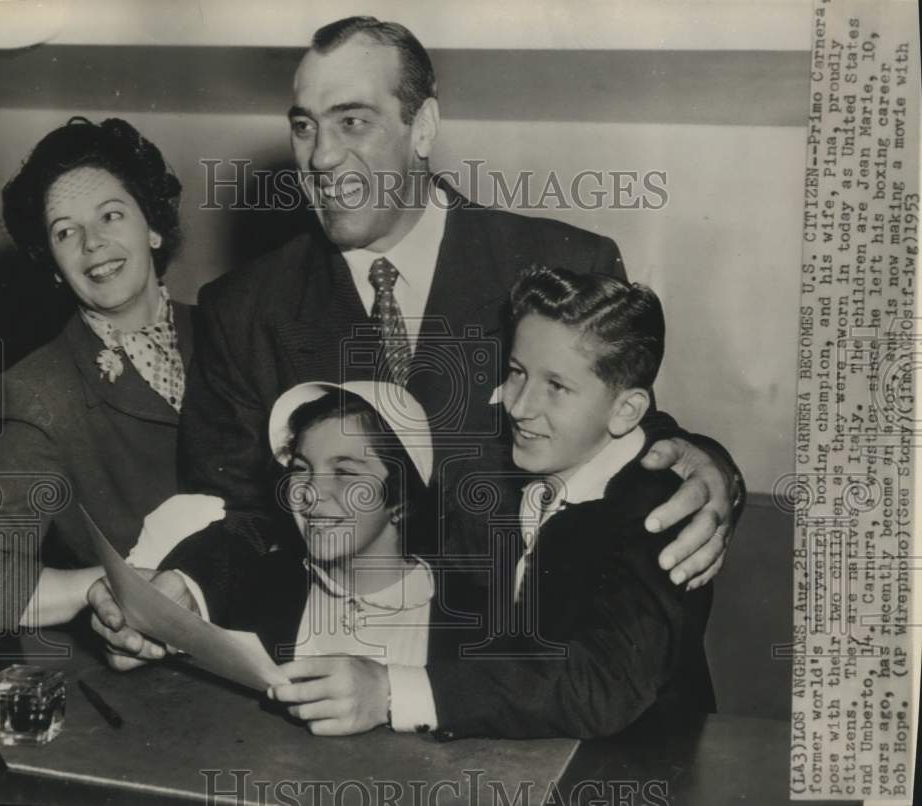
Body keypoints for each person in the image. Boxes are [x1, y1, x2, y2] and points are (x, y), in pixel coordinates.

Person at [93, 15, 743, 666]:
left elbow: (634, 441)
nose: (320, 157)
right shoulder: (242, 309)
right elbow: (237, 513)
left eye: (352, 121)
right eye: (303, 126)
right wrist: (184, 589)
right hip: (352, 688)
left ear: (423, 127)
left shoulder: (565, 259)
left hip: (547, 686)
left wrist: (714, 469)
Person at [271, 266, 716, 739]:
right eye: (517, 373)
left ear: (626, 411)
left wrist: (389, 691)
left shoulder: (663, 513)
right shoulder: (533, 476)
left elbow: (602, 686)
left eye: (556, 387)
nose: (519, 406)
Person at [0, 117, 217, 630]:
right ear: (53, 264)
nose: (92, 243)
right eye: (65, 232)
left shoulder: (235, 329)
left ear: (153, 227)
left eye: (111, 215)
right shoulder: (43, 390)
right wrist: (102, 586)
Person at [92, 381, 457, 739]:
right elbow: (170, 628)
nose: (311, 493)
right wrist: (132, 622)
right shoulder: (258, 590)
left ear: (402, 498)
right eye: (300, 469)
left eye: (344, 473)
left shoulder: (469, 617)